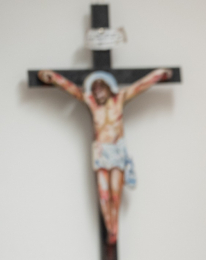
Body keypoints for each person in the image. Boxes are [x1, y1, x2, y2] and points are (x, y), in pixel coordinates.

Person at [38, 68, 172, 244]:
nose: (98, 93)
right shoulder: (91, 103)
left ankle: (115, 227)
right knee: (103, 195)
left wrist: (159, 74)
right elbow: (72, 90)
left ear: (109, 88)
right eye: (95, 90)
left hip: (117, 150)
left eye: (101, 89)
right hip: (101, 151)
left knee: (115, 194)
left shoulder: (120, 99)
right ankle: (110, 229)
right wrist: (54, 78)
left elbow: (140, 86)